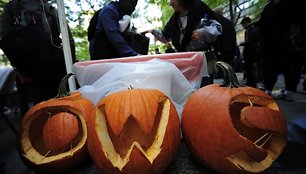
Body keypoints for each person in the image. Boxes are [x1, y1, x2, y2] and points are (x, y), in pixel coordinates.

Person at [0, 0, 76, 104]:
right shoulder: (13, 8)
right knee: (45, 107)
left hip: (54, 67)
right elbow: (6, 41)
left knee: (58, 104)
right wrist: (19, 71)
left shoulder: (50, 9)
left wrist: (71, 64)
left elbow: (67, 38)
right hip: (31, 71)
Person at [147, 0, 222, 85]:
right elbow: (165, 37)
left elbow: (217, 27)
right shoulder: (174, 20)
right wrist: (153, 31)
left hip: (205, 61)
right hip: (186, 63)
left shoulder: (200, 8)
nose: (170, 3)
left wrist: (203, 32)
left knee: (205, 91)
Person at [257, 0, 296, 100]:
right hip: (284, 41)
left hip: (270, 43)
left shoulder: (270, 7)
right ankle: (289, 91)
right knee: (287, 67)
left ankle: (268, 89)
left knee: (270, 67)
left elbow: (263, 24)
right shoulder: (287, 5)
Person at [240, 16, 261, 87]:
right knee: (250, 68)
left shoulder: (250, 30)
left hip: (250, 53)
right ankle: (251, 82)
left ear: (246, 23)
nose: (243, 26)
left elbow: (249, 42)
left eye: (243, 25)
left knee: (249, 69)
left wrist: (243, 43)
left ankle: (251, 82)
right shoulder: (253, 29)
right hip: (253, 52)